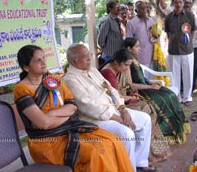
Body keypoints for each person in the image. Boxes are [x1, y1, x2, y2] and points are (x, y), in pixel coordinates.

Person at [13, 45, 134, 172]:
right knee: (97, 151)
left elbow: (72, 106)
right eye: (38, 60)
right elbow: (44, 124)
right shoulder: (21, 90)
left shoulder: (52, 80)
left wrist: (52, 114)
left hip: (70, 129)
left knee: (113, 141)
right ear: (26, 67)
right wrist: (64, 117)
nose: (44, 63)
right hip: (47, 140)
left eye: (44, 58)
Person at [63, 44, 155, 172]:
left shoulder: (93, 71)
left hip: (115, 110)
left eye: (89, 55)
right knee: (127, 133)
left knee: (145, 119)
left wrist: (123, 110)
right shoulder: (70, 79)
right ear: (74, 61)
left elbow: (111, 90)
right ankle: (129, 169)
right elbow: (87, 106)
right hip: (96, 120)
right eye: (85, 57)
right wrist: (118, 118)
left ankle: (140, 160)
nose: (90, 59)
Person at [100, 49, 172, 164]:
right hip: (115, 107)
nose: (126, 68)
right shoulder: (108, 73)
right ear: (117, 62)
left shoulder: (118, 68)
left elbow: (128, 86)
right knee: (147, 110)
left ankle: (147, 155)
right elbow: (115, 98)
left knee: (149, 108)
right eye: (126, 65)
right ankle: (148, 156)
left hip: (123, 100)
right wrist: (131, 98)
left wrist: (135, 93)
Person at [124, 38, 187, 144]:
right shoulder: (127, 62)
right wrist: (150, 87)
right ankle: (168, 131)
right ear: (129, 48)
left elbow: (141, 77)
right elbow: (131, 85)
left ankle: (179, 125)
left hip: (147, 87)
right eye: (137, 46)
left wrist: (150, 83)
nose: (140, 49)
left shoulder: (134, 59)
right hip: (140, 91)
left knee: (171, 94)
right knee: (164, 99)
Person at [164, 0, 197, 106]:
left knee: (188, 74)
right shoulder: (168, 17)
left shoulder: (189, 16)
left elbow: (193, 30)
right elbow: (167, 33)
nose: (178, 4)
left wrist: (187, 40)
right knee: (174, 75)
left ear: (183, 3)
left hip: (187, 50)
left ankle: (187, 97)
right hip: (173, 50)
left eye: (180, 2)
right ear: (172, 3)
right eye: (176, 2)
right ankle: (177, 97)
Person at [126, 1, 156, 68]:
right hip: (139, 59)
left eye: (145, 8)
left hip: (152, 56)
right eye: (142, 8)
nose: (145, 10)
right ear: (136, 10)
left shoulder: (151, 22)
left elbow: (156, 37)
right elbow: (129, 42)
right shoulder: (131, 24)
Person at [184, 0, 197, 92]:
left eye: (190, 3)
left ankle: (191, 88)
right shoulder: (178, 14)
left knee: (193, 67)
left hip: (195, 45)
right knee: (184, 67)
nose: (188, 5)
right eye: (186, 2)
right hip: (182, 47)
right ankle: (182, 88)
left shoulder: (196, 15)